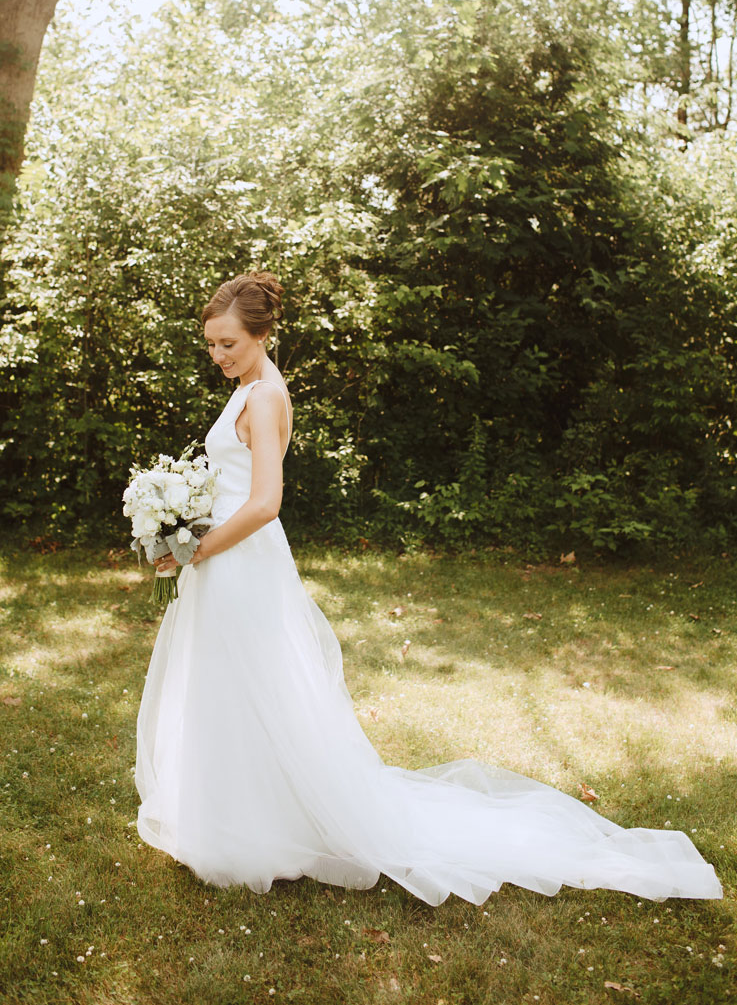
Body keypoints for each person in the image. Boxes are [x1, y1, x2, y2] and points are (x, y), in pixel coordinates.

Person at [135, 272, 722, 906]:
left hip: (239, 558)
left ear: (262, 334)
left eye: (227, 343)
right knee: (230, 686)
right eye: (211, 345)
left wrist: (196, 546)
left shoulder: (267, 397)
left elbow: (266, 503)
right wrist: (184, 525)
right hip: (225, 559)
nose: (218, 355)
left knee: (256, 686)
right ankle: (237, 817)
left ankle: (267, 828)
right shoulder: (250, 388)